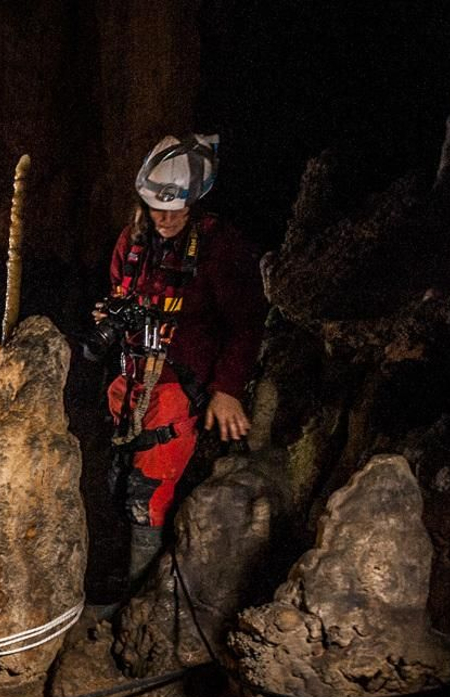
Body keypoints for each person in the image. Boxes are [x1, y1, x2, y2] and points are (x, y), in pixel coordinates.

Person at [96, 134, 266, 587]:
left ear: (194, 203)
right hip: (130, 379)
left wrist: (227, 389)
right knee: (117, 484)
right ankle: (119, 579)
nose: (166, 218)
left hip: (178, 387)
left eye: (175, 209)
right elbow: (120, 293)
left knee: (146, 495)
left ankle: (139, 597)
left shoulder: (218, 247)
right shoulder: (132, 242)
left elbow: (247, 322)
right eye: (157, 208)